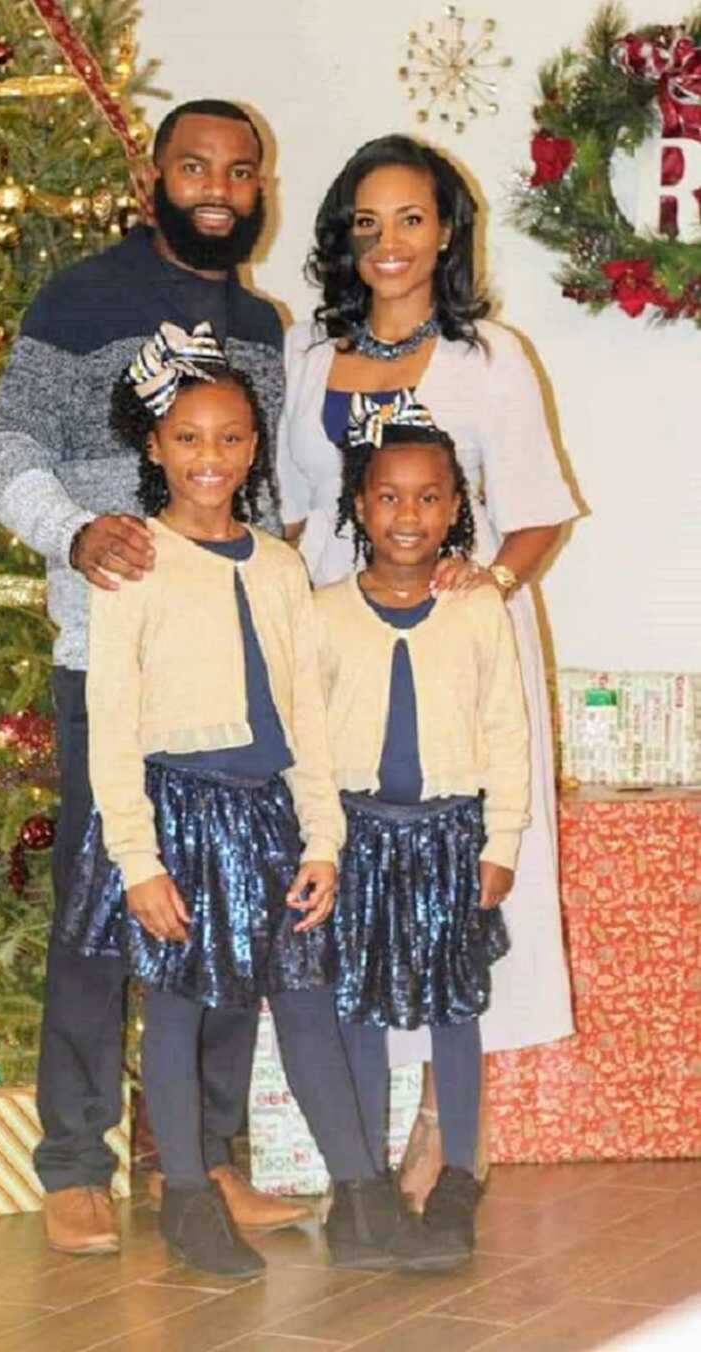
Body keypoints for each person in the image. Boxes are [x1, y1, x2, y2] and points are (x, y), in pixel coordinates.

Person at [0, 99, 306, 1257]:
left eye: (239, 170)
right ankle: (75, 1160)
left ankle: (204, 1161)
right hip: (109, 663)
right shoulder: (81, 299)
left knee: (227, 921)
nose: (218, 185)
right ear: (156, 174)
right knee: (102, 913)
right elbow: (0, 444)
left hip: (238, 688)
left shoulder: (260, 323)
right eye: (194, 165)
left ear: (259, 188)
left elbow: (264, 498)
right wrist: (72, 531)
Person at [57, 320, 421, 1277]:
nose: (208, 457)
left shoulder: (278, 565)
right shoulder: (132, 564)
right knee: (174, 1006)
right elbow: (114, 721)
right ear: (155, 447)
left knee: (304, 1000)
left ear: (254, 447)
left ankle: (362, 1195)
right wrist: (138, 861)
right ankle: (186, 1194)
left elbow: (306, 710)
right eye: (187, 439)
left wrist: (324, 838)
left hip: (268, 817)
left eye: (228, 439)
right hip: (176, 814)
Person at [276, 133, 579, 1202]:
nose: (389, 242)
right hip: (340, 652)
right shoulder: (313, 361)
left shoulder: (488, 357)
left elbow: (536, 515)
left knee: (461, 884)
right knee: (347, 867)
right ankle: (363, 1126)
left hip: (456, 652)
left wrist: (484, 590)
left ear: (446, 231)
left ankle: (450, 1128)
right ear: (344, 240)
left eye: (411, 218)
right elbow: (300, 515)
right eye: (367, 222)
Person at [315, 392, 530, 1267]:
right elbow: (304, 738)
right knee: (355, 1008)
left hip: (450, 839)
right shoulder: (323, 612)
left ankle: (454, 1184)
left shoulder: (478, 608)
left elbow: (508, 731)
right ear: (360, 507)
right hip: (358, 837)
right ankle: (359, 1187)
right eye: (390, 496)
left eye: (429, 496)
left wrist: (501, 843)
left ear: (455, 505)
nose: (409, 515)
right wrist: (318, 843)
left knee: (455, 1008)